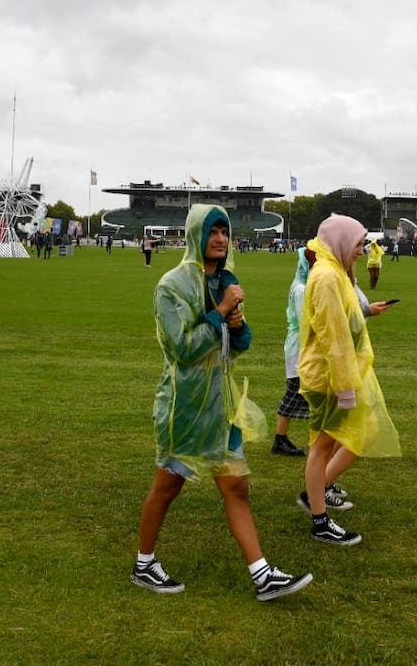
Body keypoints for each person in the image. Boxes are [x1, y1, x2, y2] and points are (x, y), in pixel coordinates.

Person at [131, 204, 312, 601]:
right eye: (212, 231)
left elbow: (237, 347)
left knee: (236, 489)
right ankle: (143, 564)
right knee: (167, 487)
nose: (219, 239)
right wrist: (222, 311)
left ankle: (263, 575)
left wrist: (239, 326)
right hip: (186, 408)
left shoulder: (225, 281)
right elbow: (183, 349)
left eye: (224, 232)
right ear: (196, 234)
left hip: (222, 405)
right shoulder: (171, 286)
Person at [297, 214, 402, 546]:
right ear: (341, 241)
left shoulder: (335, 273)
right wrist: (344, 388)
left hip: (340, 374)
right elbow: (334, 336)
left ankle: (315, 494)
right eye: (357, 243)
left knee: (360, 433)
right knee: (323, 445)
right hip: (328, 377)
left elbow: (348, 323)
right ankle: (319, 517)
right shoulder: (327, 277)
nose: (361, 249)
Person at [273, 247, 314, 458]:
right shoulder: (302, 290)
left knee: (299, 392)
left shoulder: (301, 285)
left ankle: (282, 438)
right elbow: (304, 321)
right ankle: (280, 439)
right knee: (295, 392)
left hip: (299, 345)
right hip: (300, 346)